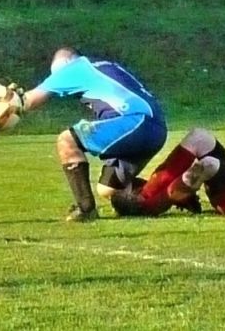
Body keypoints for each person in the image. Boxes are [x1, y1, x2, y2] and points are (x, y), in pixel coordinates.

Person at [21, 47, 168, 222]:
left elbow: (28, 101)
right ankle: (174, 191)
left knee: (67, 140)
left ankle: (86, 209)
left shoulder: (74, 68)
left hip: (135, 121)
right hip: (156, 127)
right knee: (108, 189)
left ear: (66, 62)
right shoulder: (103, 66)